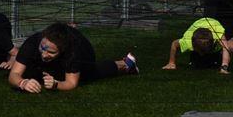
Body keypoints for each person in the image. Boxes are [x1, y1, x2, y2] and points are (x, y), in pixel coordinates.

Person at [8, 22, 137, 94]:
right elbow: (14, 74)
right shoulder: (32, 43)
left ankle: (126, 64)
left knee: (90, 74)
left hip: (84, 52)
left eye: (51, 52)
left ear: (62, 50)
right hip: (62, 49)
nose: (44, 54)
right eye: (43, 48)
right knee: (31, 72)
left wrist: (56, 84)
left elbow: (71, 83)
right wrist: (23, 83)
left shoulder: (74, 51)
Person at [162, 17, 233, 73]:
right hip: (199, 25)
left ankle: (231, 38)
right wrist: (171, 62)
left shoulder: (218, 34)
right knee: (200, 62)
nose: (203, 53)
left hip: (215, 25)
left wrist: (224, 67)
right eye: (201, 51)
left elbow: (225, 49)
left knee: (232, 47)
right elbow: (174, 44)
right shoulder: (187, 41)